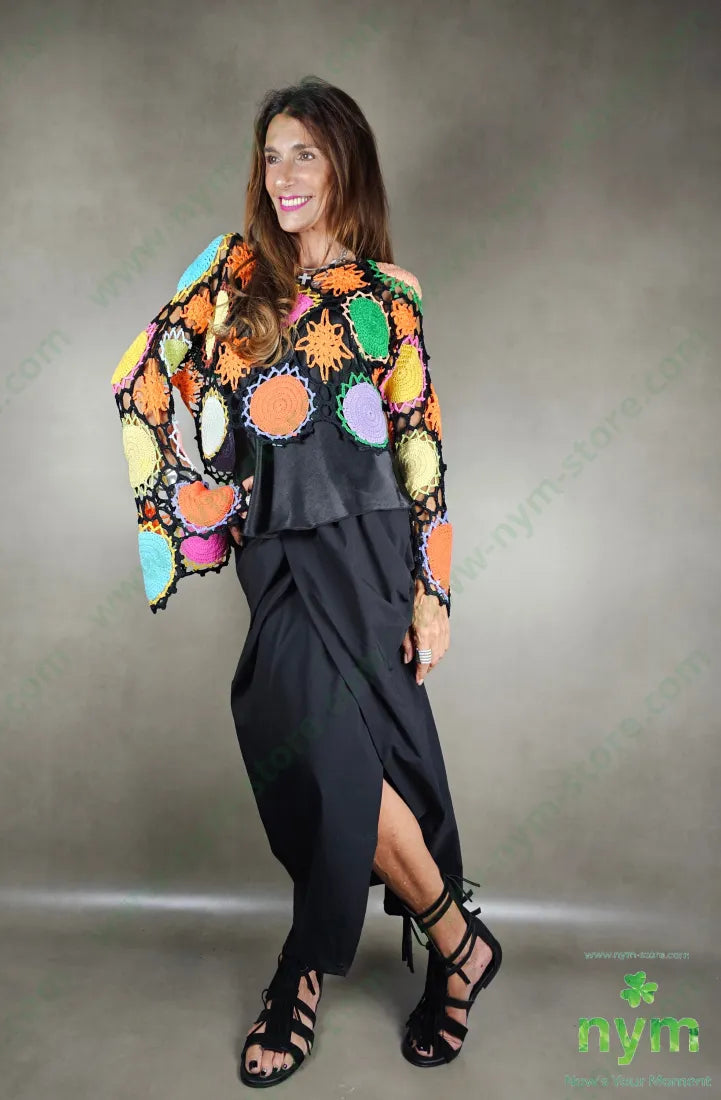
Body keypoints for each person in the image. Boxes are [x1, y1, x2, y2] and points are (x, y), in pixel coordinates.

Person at [110, 75, 502, 1087]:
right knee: (314, 749)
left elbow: (420, 446)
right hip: (277, 555)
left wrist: (434, 591)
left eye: (306, 154)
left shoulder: (388, 295)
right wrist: (199, 499)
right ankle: (458, 939)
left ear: (343, 167)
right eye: (272, 155)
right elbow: (142, 375)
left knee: (355, 762)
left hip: (370, 554)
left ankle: (305, 969)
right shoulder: (231, 273)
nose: (284, 175)